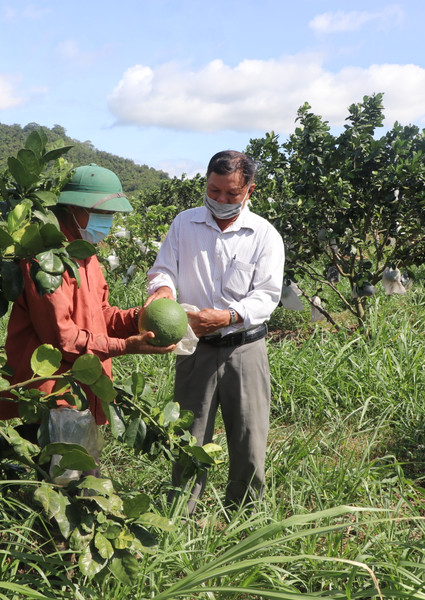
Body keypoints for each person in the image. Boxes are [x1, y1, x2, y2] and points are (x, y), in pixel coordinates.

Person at [1, 164, 174, 475]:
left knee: (78, 480)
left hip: (81, 388)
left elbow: (101, 313)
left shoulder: (86, 253)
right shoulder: (48, 261)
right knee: (59, 486)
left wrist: (141, 318)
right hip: (52, 396)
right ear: (72, 209)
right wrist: (126, 346)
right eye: (101, 214)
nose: (107, 222)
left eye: (110, 215)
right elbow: (63, 339)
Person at [147, 150, 284, 513]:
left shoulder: (264, 235)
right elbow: (164, 270)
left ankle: (242, 517)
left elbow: (267, 295)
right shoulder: (184, 224)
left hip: (245, 349)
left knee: (249, 439)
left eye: (231, 194)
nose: (220, 200)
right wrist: (162, 288)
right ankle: (181, 516)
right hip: (196, 348)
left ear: (249, 190)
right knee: (188, 438)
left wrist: (228, 317)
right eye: (214, 191)